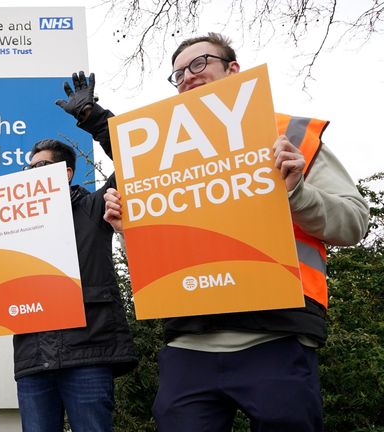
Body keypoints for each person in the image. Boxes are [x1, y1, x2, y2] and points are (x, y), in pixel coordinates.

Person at [95, 33, 370, 431]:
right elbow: (164, 256)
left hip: (277, 335)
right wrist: (127, 231)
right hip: (188, 342)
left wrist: (297, 192)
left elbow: (355, 223)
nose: (187, 76)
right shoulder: (160, 157)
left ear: (233, 69)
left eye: (199, 63)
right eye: (178, 73)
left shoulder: (288, 135)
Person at [0, 136, 137, 432]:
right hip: (34, 359)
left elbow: (131, 159)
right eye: (27, 167)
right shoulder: (12, 227)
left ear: (66, 173)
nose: (31, 172)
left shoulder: (92, 208)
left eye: (40, 165)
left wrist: (92, 117)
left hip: (88, 354)